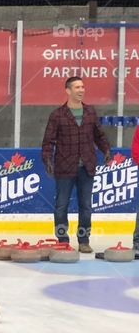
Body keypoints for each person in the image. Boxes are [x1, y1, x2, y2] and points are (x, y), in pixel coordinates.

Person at [41, 77, 112, 253]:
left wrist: (106, 150)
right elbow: (48, 141)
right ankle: (63, 240)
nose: (81, 90)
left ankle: (84, 240)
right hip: (65, 167)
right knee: (61, 205)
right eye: (77, 87)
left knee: (86, 206)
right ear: (68, 91)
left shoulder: (90, 112)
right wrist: (47, 158)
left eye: (82, 86)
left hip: (86, 167)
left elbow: (99, 135)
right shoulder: (57, 115)